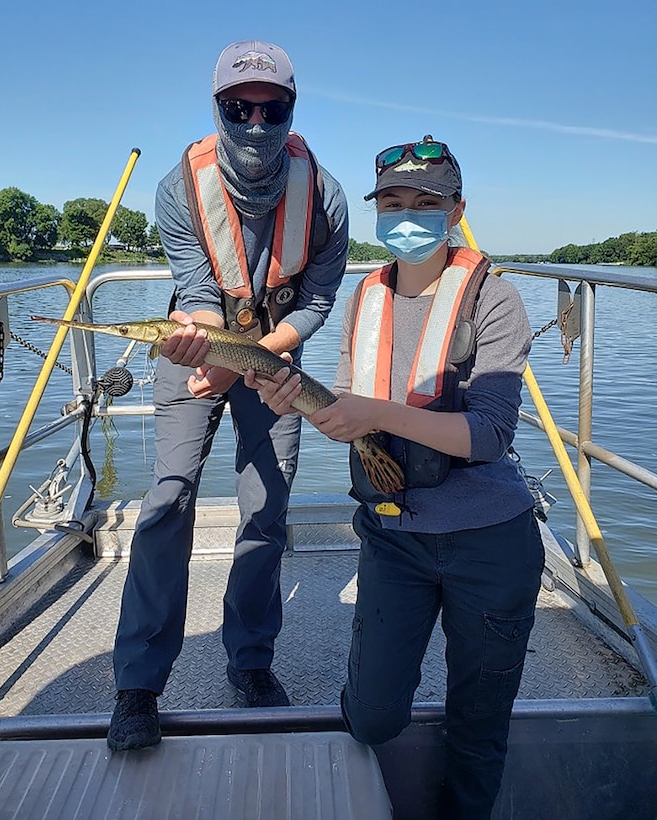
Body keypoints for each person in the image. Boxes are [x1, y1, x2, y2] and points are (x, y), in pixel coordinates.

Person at [246, 136, 544, 818]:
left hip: (490, 543)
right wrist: (300, 401)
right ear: (376, 211)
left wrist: (374, 412)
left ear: (456, 210)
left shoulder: (495, 302)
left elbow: (490, 434)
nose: (407, 216)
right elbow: (346, 407)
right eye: (393, 203)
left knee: (478, 720)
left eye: (426, 203)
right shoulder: (364, 297)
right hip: (392, 537)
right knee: (373, 718)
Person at [107, 40, 349, 752]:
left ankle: (250, 661)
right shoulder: (177, 187)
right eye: (237, 107)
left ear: (291, 110)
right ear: (215, 107)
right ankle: (138, 683)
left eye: (272, 108)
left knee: (265, 509)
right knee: (168, 497)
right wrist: (209, 353)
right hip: (195, 340)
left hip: (274, 358)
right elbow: (198, 287)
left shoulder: (325, 193)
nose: (254, 121)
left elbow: (318, 300)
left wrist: (249, 360)